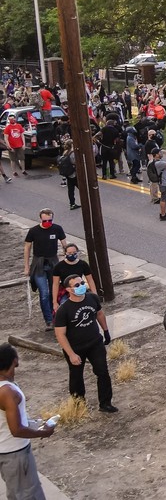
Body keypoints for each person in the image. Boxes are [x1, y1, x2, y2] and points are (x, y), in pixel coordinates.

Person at [51, 272, 116, 413]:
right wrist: (71, 354)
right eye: (77, 285)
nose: (81, 286)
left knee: (103, 372)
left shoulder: (92, 298)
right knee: (76, 377)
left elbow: (99, 313)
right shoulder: (64, 310)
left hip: (95, 344)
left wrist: (105, 331)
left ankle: (105, 403)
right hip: (76, 348)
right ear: (68, 289)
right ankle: (79, 405)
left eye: (82, 283)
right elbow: (60, 334)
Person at [0, 343, 55, 500]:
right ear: (14, 361)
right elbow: (16, 430)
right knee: (28, 495)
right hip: (16, 455)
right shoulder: (8, 392)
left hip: (6, 453)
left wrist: (34, 422)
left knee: (17, 493)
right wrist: (42, 432)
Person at [24, 209, 66, 330]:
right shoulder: (33, 231)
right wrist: (26, 266)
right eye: (45, 220)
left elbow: (64, 245)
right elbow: (27, 248)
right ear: (40, 219)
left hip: (53, 262)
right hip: (39, 264)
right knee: (44, 293)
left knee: (55, 291)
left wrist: (66, 258)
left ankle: (56, 316)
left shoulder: (57, 229)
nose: (48, 222)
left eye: (50, 220)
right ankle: (48, 320)